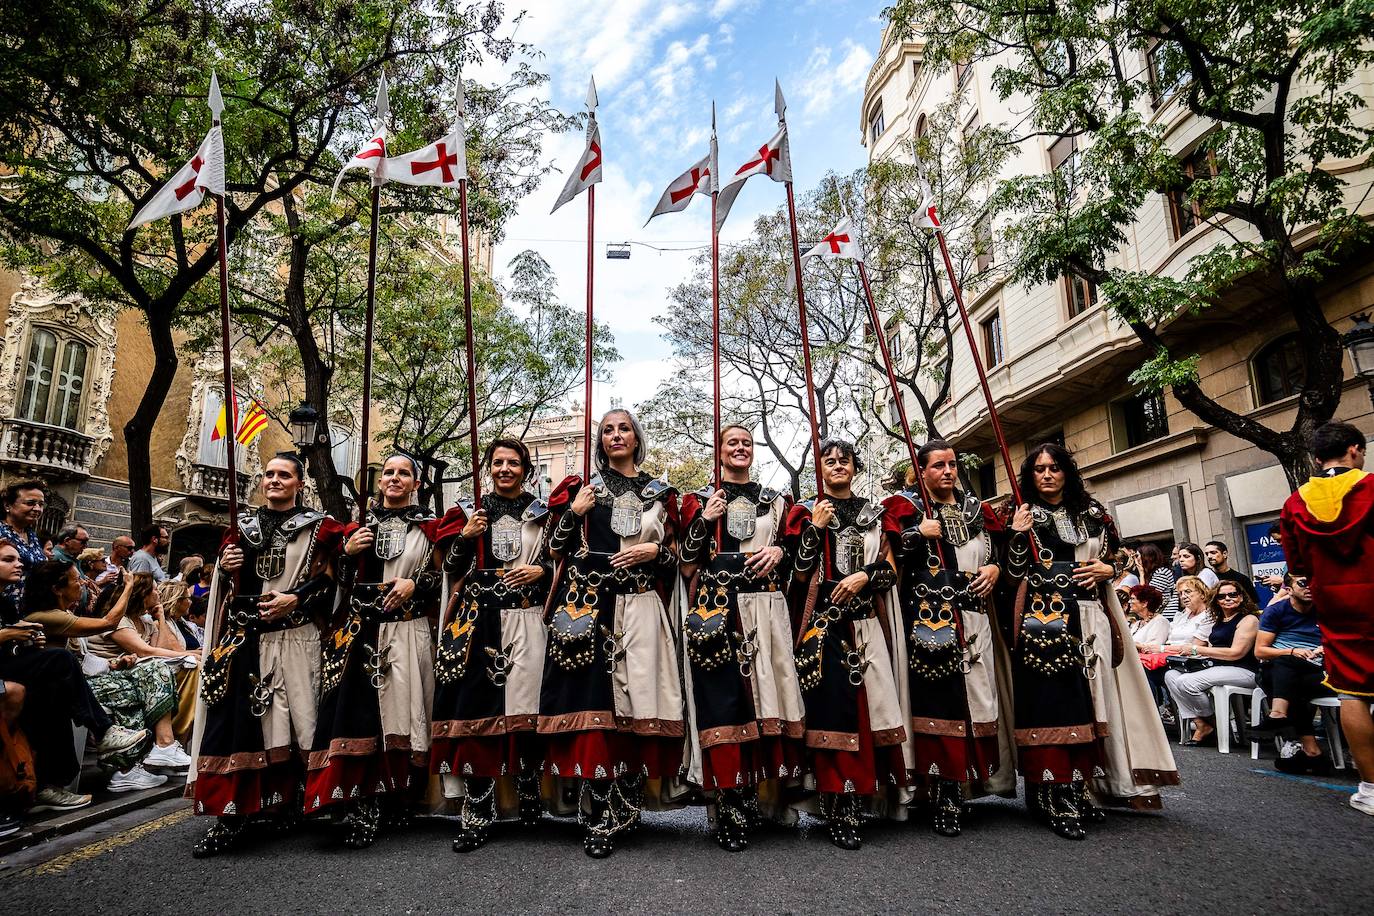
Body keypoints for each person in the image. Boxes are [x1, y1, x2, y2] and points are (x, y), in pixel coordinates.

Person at [1005, 442, 1178, 840]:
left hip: (1090, 617)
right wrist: (1017, 535)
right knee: (1052, 706)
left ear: (1067, 471)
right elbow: (1011, 571)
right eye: (1039, 469)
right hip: (1043, 621)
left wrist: (1107, 567)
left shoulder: (1093, 513)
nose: (1047, 475)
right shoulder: (1018, 513)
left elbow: (1119, 557)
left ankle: (1084, 787)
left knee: (1096, 701)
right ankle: (1050, 791)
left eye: (1054, 468)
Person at [538, 409, 685, 858]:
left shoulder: (661, 494)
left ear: (637, 438)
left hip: (640, 606)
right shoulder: (582, 491)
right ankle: (599, 806)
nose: (615, 435)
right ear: (599, 440)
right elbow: (554, 550)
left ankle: (629, 797)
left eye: (623, 428)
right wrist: (573, 512)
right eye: (607, 430)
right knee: (595, 706)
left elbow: (679, 556)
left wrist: (654, 550)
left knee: (640, 700)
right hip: (590, 608)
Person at [188, 453, 345, 858]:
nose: (274, 480)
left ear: (299, 483)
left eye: (284, 475)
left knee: (305, 722)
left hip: (297, 637)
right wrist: (224, 566)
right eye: (269, 474)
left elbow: (333, 581)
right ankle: (233, 816)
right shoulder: (240, 529)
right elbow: (224, 584)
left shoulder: (322, 529)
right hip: (246, 641)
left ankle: (303, 801)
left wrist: (296, 597)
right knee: (242, 726)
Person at [307, 453, 451, 849]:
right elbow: (337, 583)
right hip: (363, 633)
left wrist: (415, 584)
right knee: (360, 714)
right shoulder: (359, 529)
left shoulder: (430, 529)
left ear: (416, 483)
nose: (394, 478)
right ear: (379, 480)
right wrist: (347, 553)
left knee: (406, 713)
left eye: (404, 473)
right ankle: (362, 800)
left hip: (408, 630)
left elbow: (443, 573)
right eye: (388, 472)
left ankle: (400, 796)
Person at [677, 425, 802, 851]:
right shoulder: (700, 500)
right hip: (718, 612)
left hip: (765, 610)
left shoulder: (776, 500)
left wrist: (781, 552)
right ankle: (729, 803)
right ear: (720, 450)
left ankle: (763, 797)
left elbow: (798, 558)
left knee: (768, 701)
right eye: (732, 442)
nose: (740, 448)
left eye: (746, 443)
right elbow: (687, 563)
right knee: (724, 704)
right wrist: (704, 520)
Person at [783, 438, 907, 851]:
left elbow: (890, 572)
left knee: (872, 712)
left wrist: (864, 578)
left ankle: (864, 797)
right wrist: (816, 527)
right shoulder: (806, 512)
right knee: (834, 716)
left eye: (844, 460)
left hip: (867, 624)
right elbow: (800, 574)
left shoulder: (876, 515)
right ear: (820, 468)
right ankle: (837, 805)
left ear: (854, 467)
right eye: (829, 460)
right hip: (824, 630)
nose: (837, 465)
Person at [431, 440, 553, 853]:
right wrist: (466, 538)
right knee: (475, 713)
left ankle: (529, 787)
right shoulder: (468, 512)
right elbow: (449, 569)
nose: (504, 469)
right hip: (477, 622)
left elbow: (565, 561)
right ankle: (477, 806)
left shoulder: (544, 514)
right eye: (497, 462)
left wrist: (543, 569)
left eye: (513, 463)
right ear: (487, 468)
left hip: (527, 617)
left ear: (526, 469)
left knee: (528, 707)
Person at [883, 440, 1008, 838]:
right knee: (938, 702)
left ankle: (971, 782)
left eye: (952, 464)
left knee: (977, 699)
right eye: (938, 465)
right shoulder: (905, 509)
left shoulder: (979, 510)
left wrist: (994, 568)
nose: (948, 471)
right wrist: (917, 533)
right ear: (921, 472)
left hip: (973, 617)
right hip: (928, 619)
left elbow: (1002, 552)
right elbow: (886, 555)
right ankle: (942, 792)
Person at [1, 548, 146, 812]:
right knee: (60, 661)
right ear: (57, 588)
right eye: (8, 560)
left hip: (47, 677)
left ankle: (47, 785)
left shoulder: (8, 605)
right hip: (13, 678)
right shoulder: (45, 615)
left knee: (55, 696)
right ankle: (109, 740)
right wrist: (128, 587)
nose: (18, 563)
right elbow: (108, 623)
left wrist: (27, 638)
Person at [1281, 419, 1374, 814]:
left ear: (1318, 459)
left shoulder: (1296, 502)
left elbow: (1297, 563)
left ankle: (1370, 787)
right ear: (1354, 449)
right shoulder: (1370, 487)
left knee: (1352, 692)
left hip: (1335, 604)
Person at [80, 574, 194, 790]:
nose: (159, 594)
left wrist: (159, 618)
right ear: (143, 594)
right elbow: (145, 651)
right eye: (155, 590)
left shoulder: (146, 623)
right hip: (100, 678)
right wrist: (191, 655)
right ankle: (153, 751)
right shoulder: (119, 620)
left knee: (154, 674)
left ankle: (137, 763)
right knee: (152, 675)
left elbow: (157, 651)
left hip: (126, 676)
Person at [1251, 574, 1333, 774]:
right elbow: (1260, 651)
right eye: (1303, 583)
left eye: (1313, 583)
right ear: (1288, 589)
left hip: (1319, 669)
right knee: (1285, 665)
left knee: (1288, 678)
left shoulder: (1326, 609)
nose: (1309, 588)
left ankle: (1279, 715)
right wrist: (1291, 651)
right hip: (1283, 668)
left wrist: (1325, 648)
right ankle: (1312, 753)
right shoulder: (1276, 611)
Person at [1163, 583, 1259, 745]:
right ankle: (1202, 723)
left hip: (1243, 670)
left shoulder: (1248, 619)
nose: (1227, 599)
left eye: (1233, 595)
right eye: (1222, 596)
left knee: (1185, 681)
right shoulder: (1219, 619)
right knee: (1171, 675)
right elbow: (1210, 647)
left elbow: (1236, 653)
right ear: (1216, 600)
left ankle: (1213, 722)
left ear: (1241, 597)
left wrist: (1197, 649)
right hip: (1217, 667)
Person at [0, 480, 48, 599]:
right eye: (30, 503)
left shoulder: (31, 535)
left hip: (28, 608)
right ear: (7, 505)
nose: (37, 509)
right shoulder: (1, 532)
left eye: (41, 504)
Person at [1203, 541, 1259, 605]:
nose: (1209, 556)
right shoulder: (1205, 577)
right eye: (1207, 554)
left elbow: (1253, 604)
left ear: (1224, 554)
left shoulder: (1242, 579)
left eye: (1213, 553)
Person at [1134, 543, 1178, 620]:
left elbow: (1144, 596)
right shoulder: (1152, 574)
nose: (1136, 559)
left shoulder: (1162, 572)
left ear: (1147, 557)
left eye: (1137, 555)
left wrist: (1141, 574)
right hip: (1159, 617)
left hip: (1165, 617)